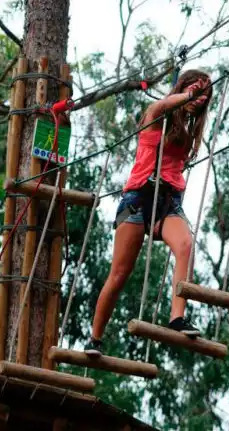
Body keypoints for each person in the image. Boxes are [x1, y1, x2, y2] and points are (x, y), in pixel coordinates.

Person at [86, 70, 213, 356]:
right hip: (137, 200)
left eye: (203, 97)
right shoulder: (156, 113)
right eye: (193, 92)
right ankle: (95, 338)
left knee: (185, 245)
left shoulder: (189, 130)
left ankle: (177, 318)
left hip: (167, 203)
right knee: (119, 274)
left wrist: (195, 98)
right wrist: (188, 95)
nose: (197, 100)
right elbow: (164, 105)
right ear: (181, 89)